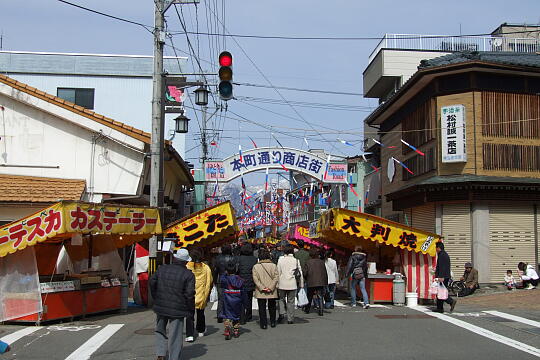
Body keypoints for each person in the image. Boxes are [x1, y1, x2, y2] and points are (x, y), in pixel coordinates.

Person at [149, 248, 195, 360]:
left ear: (175, 258)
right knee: (175, 335)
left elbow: (152, 281)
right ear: (186, 262)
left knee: (160, 329)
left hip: (161, 305)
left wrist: (156, 297)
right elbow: (189, 294)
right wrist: (190, 309)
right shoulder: (188, 275)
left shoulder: (162, 269)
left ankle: (160, 354)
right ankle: (173, 357)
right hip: (178, 308)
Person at [186, 248, 213, 342]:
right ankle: (200, 330)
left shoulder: (187, 267)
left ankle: (189, 334)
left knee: (189, 315)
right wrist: (207, 294)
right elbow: (209, 281)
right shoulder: (205, 268)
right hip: (201, 294)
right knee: (200, 313)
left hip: (189, 294)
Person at [252, 248, 279, 329]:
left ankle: (263, 323)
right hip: (272, 289)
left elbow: (255, 279)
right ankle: (273, 322)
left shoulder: (256, 266)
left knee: (262, 307)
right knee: (272, 306)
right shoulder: (273, 265)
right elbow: (276, 277)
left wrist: (262, 287)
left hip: (261, 290)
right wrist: (270, 287)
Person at [277, 244, 303, 324]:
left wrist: (277, 283)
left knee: (281, 299)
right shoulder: (296, 260)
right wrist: (301, 284)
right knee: (291, 301)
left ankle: (282, 313)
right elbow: (300, 273)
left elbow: (278, 272)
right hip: (292, 283)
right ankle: (290, 318)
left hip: (282, 283)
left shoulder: (281, 260)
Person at [212, 244, 239, 323]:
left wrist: (214, 280)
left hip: (221, 279)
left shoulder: (218, 258)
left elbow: (215, 270)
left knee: (221, 298)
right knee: (231, 297)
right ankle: (231, 314)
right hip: (231, 279)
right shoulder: (234, 258)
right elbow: (237, 270)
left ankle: (220, 315)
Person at [220, 261, 244, 340]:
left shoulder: (225, 279)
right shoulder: (240, 280)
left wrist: (224, 273)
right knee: (236, 315)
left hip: (227, 299)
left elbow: (221, 279)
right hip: (237, 299)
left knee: (227, 315)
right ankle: (236, 330)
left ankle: (227, 329)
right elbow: (243, 291)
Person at [303, 247, 328, 316]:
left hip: (311, 281)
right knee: (320, 296)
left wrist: (305, 278)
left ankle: (307, 309)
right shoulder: (321, 262)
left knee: (309, 296)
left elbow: (305, 273)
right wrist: (325, 282)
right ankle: (321, 310)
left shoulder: (308, 262)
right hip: (320, 281)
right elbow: (324, 272)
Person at [238, 243, 258, 324]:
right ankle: (248, 316)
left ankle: (242, 317)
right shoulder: (254, 259)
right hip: (251, 281)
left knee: (241, 300)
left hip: (240, 281)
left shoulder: (239, 258)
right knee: (249, 299)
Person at [434, 242, 457, 313]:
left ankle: (451, 301)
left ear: (438, 248)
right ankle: (439, 308)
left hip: (443, 277)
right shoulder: (443, 254)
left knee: (441, 292)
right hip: (445, 276)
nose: (436, 250)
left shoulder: (442, 255)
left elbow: (442, 267)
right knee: (440, 292)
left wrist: (440, 277)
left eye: (436, 248)